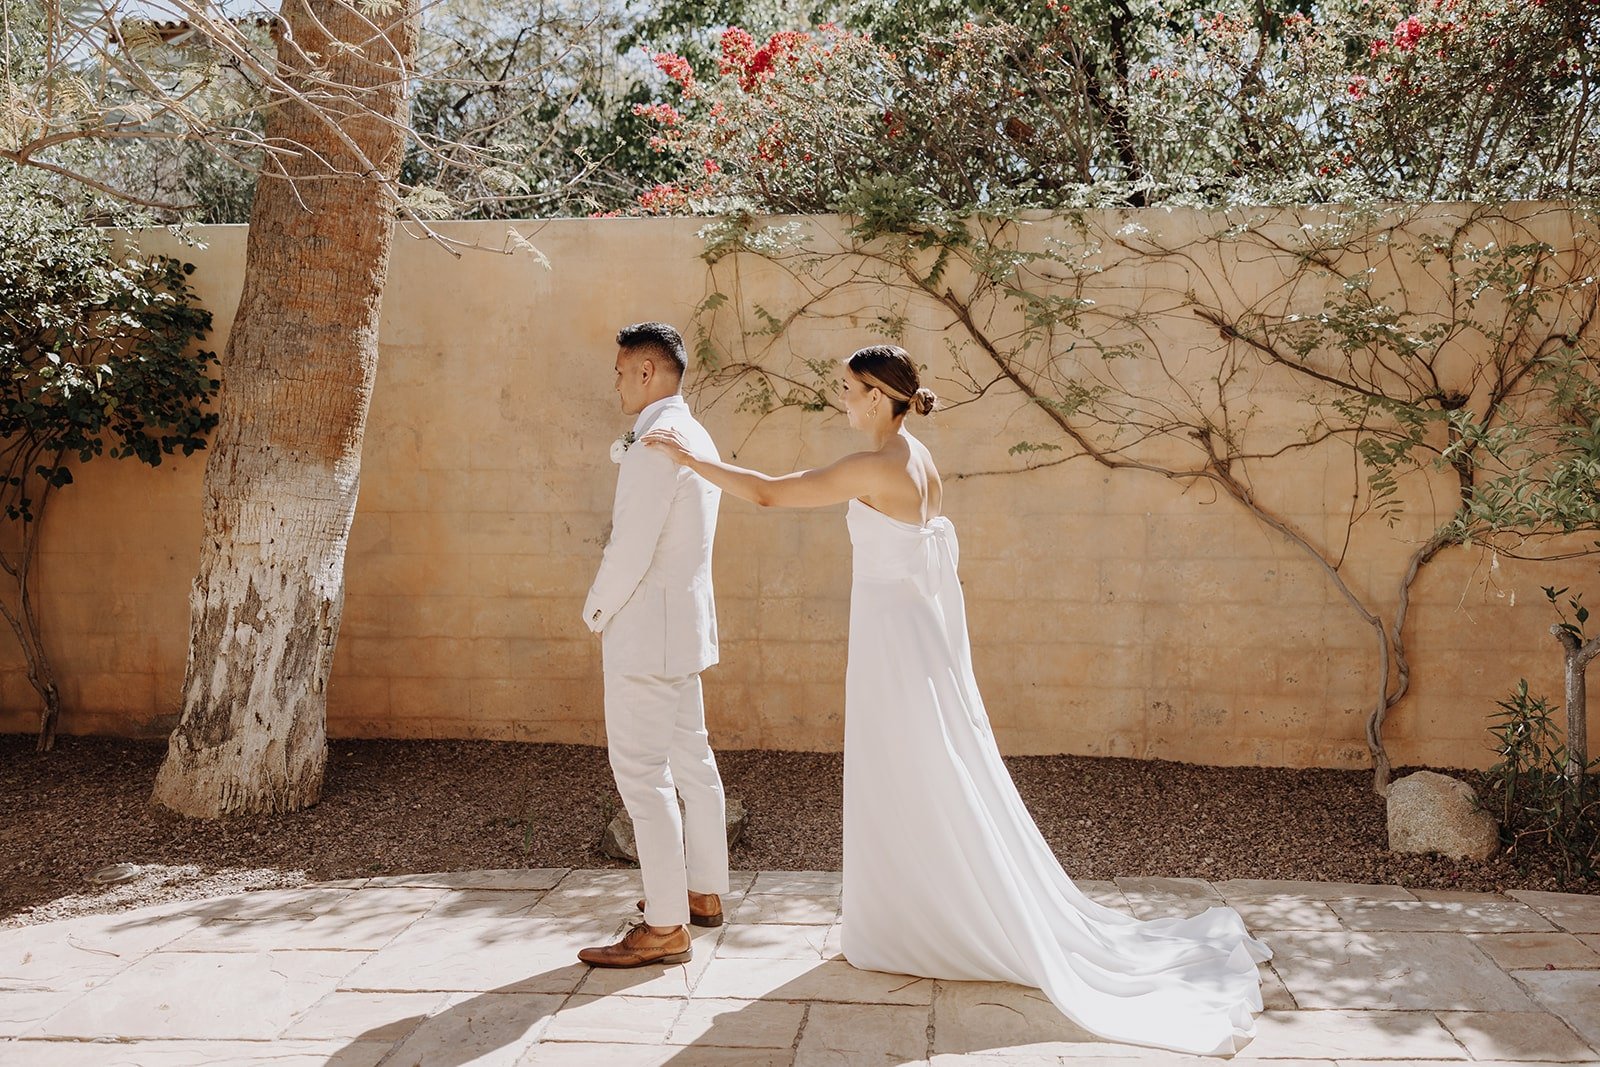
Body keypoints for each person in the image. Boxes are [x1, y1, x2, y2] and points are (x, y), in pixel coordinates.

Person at [642, 343, 1271, 1055]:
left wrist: (689, 459)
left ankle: (921, 918)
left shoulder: (875, 466)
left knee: (907, 774)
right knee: (919, 776)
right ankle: (914, 911)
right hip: (909, 636)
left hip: (895, 645)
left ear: (879, 396)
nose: (840, 399)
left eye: (848, 388)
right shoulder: (915, 457)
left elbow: (767, 491)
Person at [577, 322, 729, 968]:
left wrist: (596, 610)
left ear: (647, 372)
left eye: (620, 370)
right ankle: (703, 890)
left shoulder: (653, 443)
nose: (614, 380)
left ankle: (665, 925)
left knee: (643, 775)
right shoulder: (695, 433)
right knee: (690, 759)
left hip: (644, 632)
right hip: (685, 627)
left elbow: (630, 544)